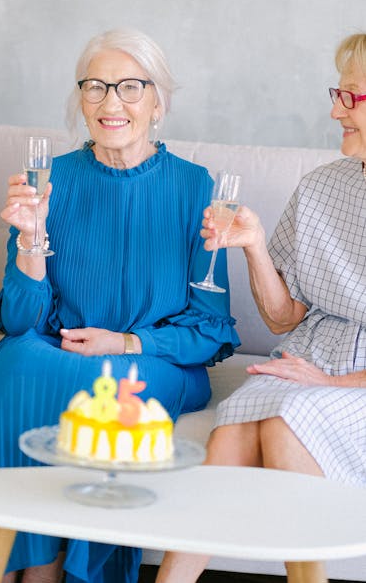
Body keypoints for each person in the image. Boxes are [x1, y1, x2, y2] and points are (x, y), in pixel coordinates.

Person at [0, 28, 240, 583]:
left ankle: (47, 568)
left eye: (129, 86)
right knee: (19, 358)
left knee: (103, 384)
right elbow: (20, 320)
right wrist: (31, 238)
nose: (110, 102)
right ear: (80, 100)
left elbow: (211, 329)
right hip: (56, 344)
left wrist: (125, 341)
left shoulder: (197, 188)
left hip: (152, 359)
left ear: (158, 102)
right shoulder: (52, 180)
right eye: (95, 87)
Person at [156, 33, 366, 583]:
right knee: (234, 429)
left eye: (351, 96)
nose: (334, 109)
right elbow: (282, 318)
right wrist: (253, 245)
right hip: (307, 358)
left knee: (286, 421)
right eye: (337, 93)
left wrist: (329, 384)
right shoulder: (323, 186)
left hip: (352, 383)